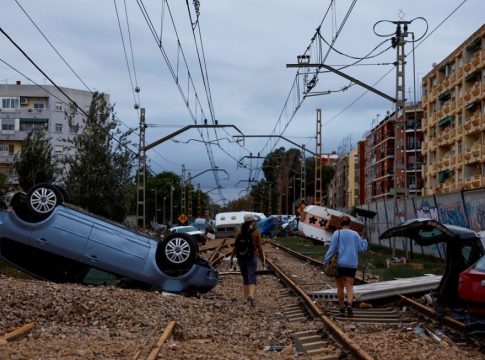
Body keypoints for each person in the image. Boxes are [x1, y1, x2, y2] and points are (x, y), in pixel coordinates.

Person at [322, 215, 367, 317]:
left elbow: (332, 249)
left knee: (340, 287)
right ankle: (350, 305)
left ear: (340, 224)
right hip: (352, 264)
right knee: (350, 286)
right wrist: (364, 240)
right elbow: (361, 249)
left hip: (340, 264)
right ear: (350, 224)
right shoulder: (355, 234)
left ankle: (342, 307)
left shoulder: (336, 234)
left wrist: (325, 260)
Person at [230, 214, 266, 306]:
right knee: (252, 277)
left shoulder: (239, 231)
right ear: (253, 221)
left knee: (245, 278)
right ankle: (251, 295)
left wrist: (231, 258)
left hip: (241, 258)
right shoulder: (256, 232)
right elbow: (260, 247)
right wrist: (263, 260)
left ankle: (246, 299)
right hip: (252, 257)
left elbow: (235, 246)